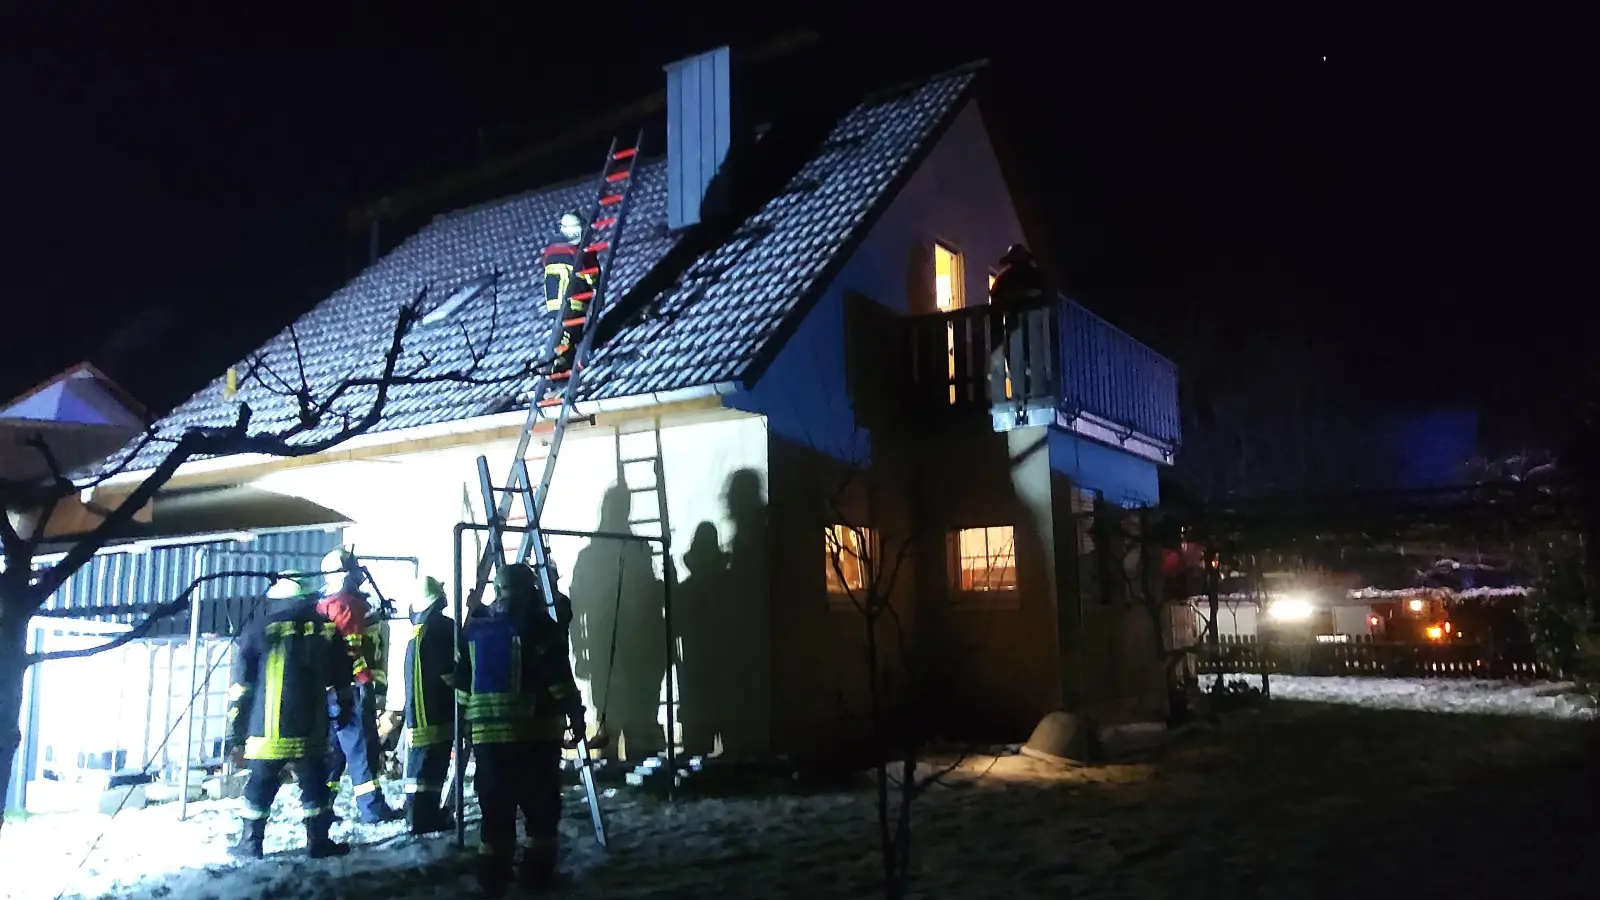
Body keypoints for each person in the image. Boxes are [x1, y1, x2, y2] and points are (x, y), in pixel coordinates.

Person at [456, 563, 586, 895]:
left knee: (495, 810)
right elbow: (559, 682)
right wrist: (576, 714)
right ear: (531, 591)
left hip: (486, 740)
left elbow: (461, 687)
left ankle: (493, 877)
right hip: (534, 736)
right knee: (540, 809)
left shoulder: (475, 632)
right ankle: (536, 876)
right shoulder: (540, 628)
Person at [226, 573, 354, 859]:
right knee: (314, 786)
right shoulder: (326, 630)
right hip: (312, 729)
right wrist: (345, 708)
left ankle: (251, 842)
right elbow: (343, 677)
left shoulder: (259, 629)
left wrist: (236, 729)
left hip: (265, 731)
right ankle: (318, 842)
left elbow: (240, 688)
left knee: (259, 787)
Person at [319, 548, 402, 824]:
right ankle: (372, 809)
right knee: (361, 750)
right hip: (352, 690)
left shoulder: (331, 604)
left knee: (337, 754)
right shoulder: (347, 606)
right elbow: (353, 651)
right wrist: (368, 686)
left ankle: (321, 807)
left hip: (334, 691)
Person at [402, 575, 456, 835]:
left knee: (419, 768)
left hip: (419, 710)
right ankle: (425, 818)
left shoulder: (419, 629)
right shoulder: (442, 627)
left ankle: (417, 815)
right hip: (437, 711)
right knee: (432, 769)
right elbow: (449, 672)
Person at [540, 210, 600, 388]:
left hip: (554, 305)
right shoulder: (578, 252)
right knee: (568, 341)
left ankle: (553, 371)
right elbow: (592, 276)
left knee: (559, 337)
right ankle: (560, 377)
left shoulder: (551, 251)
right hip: (572, 302)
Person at [986, 243, 1052, 402]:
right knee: (1032, 359)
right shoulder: (1037, 276)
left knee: (1018, 361)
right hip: (1028, 326)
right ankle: (1033, 391)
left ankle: (1021, 393)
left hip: (1015, 326)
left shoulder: (1004, 279)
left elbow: (994, 300)